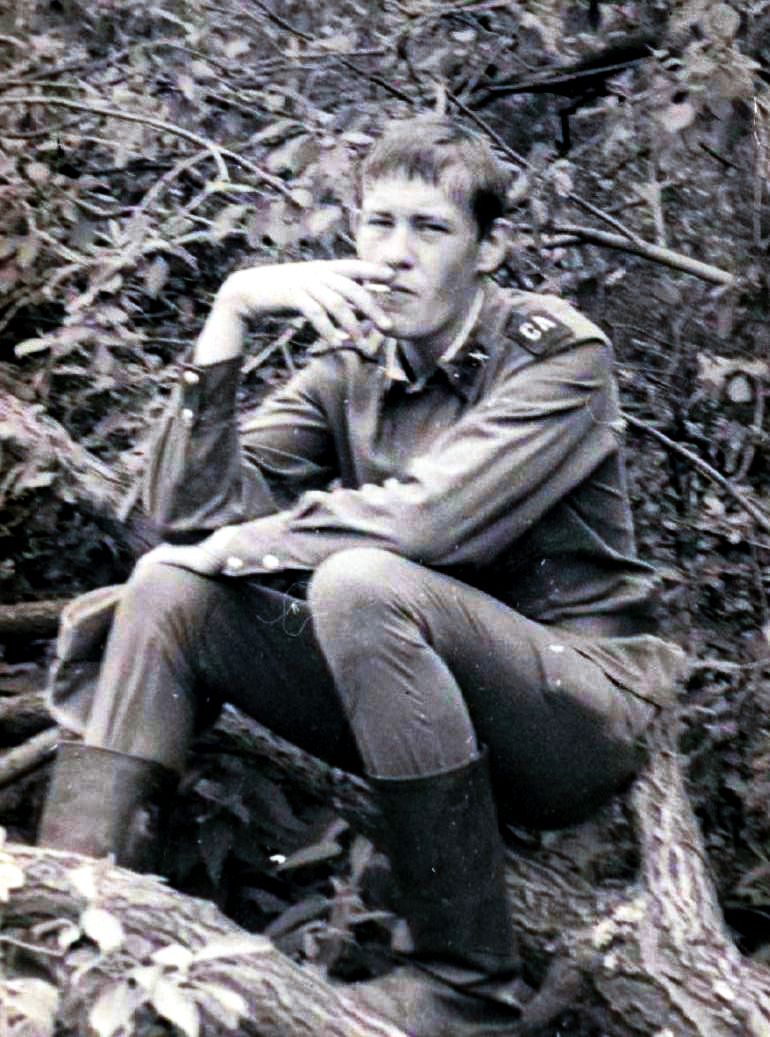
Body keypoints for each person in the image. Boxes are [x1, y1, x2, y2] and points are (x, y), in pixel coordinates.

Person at [38, 116, 685, 1035]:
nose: (395, 254)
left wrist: (243, 543)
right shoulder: (353, 367)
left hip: (573, 714)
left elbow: (427, 521)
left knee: (358, 580)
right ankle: (76, 923)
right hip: (427, 710)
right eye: (378, 223)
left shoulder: (558, 354)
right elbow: (181, 518)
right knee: (163, 590)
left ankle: (465, 983)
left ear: (490, 249)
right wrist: (231, 312)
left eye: (431, 228)